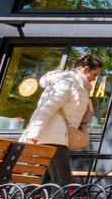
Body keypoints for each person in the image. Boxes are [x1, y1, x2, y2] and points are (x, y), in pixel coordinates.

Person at [19, 53, 101, 186]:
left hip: (55, 138)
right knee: (62, 183)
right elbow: (45, 109)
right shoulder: (66, 82)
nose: (94, 78)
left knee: (36, 183)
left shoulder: (80, 87)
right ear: (85, 70)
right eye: (95, 74)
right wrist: (32, 137)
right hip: (51, 139)